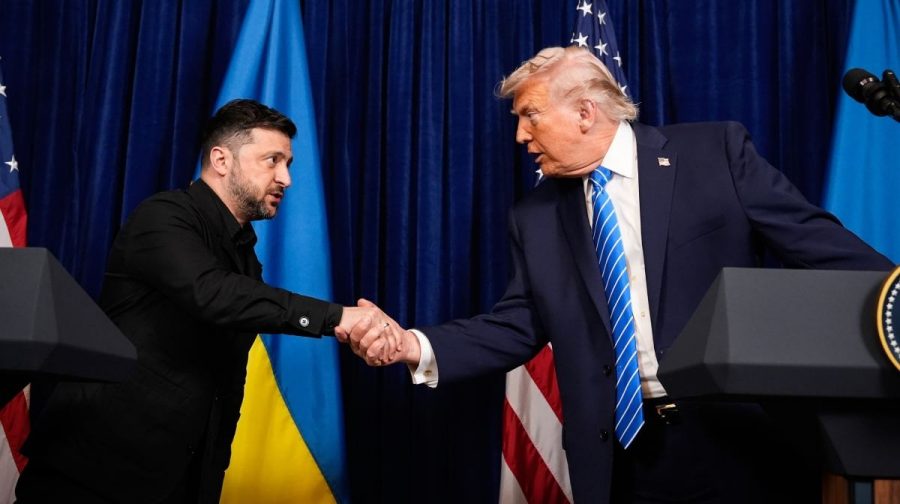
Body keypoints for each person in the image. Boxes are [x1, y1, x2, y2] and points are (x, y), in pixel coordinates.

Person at [344, 47, 896, 503]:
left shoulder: (715, 154)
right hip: (617, 461)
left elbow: (822, 248)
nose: (520, 136)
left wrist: (894, 305)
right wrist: (412, 345)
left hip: (737, 443)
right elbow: (517, 324)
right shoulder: (534, 217)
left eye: (530, 115)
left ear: (585, 112)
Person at [15, 99, 396, 503]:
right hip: (93, 472)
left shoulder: (244, 255)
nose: (286, 178)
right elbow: (212, 293)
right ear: (221, 160)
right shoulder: (163, 216)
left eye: (288, 164)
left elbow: (223, 382)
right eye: (272, 160)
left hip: (178, 483)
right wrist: (336, 317)